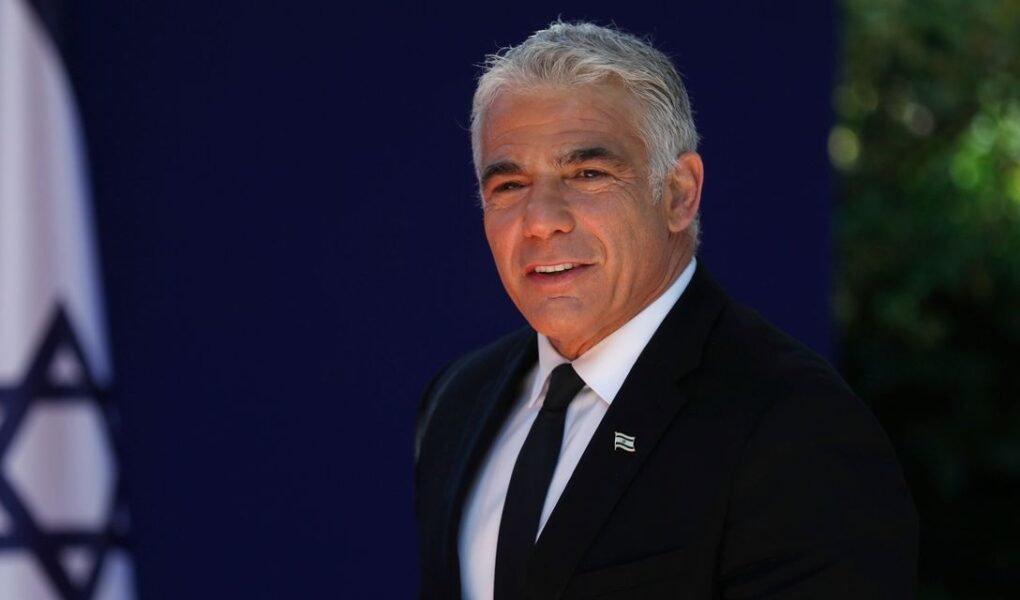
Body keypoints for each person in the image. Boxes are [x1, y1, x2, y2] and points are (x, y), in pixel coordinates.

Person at [414, 21, 917, 600]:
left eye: (587, 174)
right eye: (509, 185)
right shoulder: (456, 401)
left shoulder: (796, 424)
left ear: (679, 194)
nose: (541, 220)